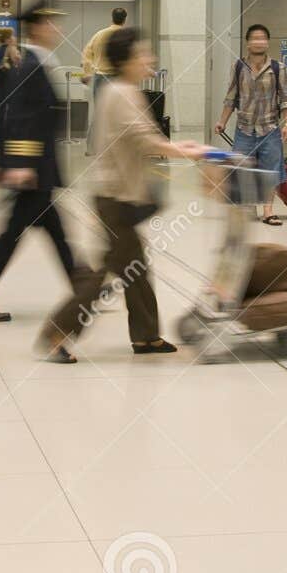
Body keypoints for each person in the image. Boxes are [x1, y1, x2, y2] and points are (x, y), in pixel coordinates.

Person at [37, 28, 205, 363]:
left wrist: (182, 148)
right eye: (143, 53)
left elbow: (143, 140)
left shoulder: (120, 90)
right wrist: (188, 151)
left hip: (117, 196)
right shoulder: (124, 93)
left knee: (135, 269)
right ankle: (58, 332)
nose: (150, 59)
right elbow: (145, 141)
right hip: (116, 199)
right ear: (127, 60)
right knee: (109, 271)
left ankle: (146, 337)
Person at [0, 2, 82, 322]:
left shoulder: (34, 62)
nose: (59, 30)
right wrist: (16, 164)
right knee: (14, 235)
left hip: (37, 167)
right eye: (53, 23)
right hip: (32, 170)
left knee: (53, 231)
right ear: (38, 27)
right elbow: (15, 116)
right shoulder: (28, 65)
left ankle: (85, 289)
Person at [216, 24, 287, 225]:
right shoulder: (239, 67)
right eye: (255, 38)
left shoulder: (278, 68)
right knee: (242, 170)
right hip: (244, 128)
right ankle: (247, 208)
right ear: (248, 42)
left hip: (270, 128)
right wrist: (222, 121)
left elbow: (286, 99)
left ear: (267, 42)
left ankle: (268, 211)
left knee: (271, 171)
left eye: (263, 38)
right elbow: (231, 97)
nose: (259, 42)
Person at [80, 7, 128, 156]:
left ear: (112, 18)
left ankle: (92, 148)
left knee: (99, 113)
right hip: (118, 78)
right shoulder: (125, 36)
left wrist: (87, 73)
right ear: (125, 19)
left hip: (101, 78)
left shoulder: (100, 34)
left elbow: (86, 53)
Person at [0, 26, 20, 151]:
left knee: (5, 115)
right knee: (3, 115)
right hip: (4, 88)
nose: (15, 38)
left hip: (7, 88)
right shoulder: (1, 51)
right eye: (12, 35)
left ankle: (5, 141)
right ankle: (2, 142)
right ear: (7, 39)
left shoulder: (12, 50)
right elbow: (4, 68)